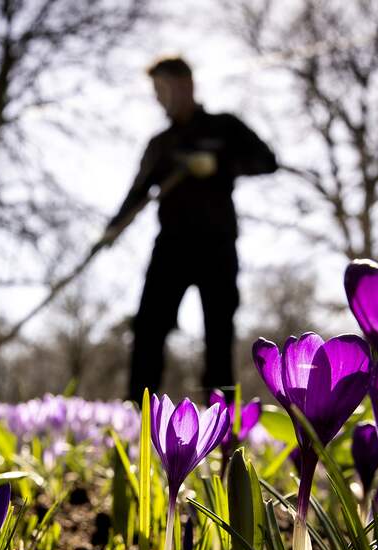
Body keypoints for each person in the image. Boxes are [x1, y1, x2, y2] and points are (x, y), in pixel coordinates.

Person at [93, 56, 278, 404]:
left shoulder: (224, 127)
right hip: (171, 247)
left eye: (162, 89)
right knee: (148, 328)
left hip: (217, 244)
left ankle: (222, 417)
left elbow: (267, 161)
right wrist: (112, 230)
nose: (158, 98)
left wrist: (220, 164)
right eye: (155, 91)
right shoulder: (160, 144)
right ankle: (137, 410)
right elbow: (137, 193)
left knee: (219, 333)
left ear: (186, 85)